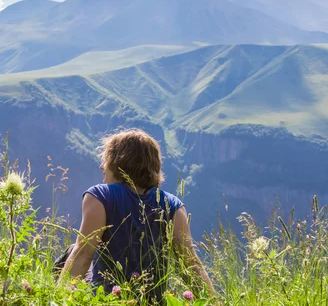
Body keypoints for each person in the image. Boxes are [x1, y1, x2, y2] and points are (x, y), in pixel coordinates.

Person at [57, 129, 214, 302]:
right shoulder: (174, 206)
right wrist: (214, 302)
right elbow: (191, 263)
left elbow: (84, 254)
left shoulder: (99, 196)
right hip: (151, 301)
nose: (102, 166)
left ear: (119, 162)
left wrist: (58, 299)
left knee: (72, 251)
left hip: (107, 300)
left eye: (106, 160)